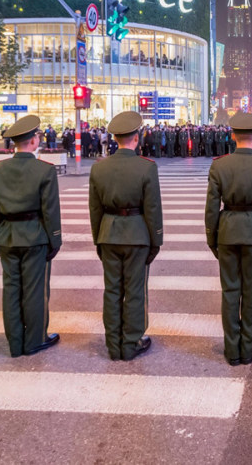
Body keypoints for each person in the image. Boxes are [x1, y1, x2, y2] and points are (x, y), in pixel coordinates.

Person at [205, 112, 252, 366]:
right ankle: (249, 346)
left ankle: (231, 348)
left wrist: (212, 239)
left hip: (227, 231)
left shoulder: (219, 165)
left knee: (230, 291)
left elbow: (211, 209)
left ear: (233, 135)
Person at [89, 111, 163, 361]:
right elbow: (152, 210)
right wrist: (156, 242)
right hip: (137, 235)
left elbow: (95, 210)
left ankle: (113, 343)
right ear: (137, 136)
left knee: (112, 290)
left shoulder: (100, 168)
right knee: (134, 291)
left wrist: (99, 239)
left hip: (108, 234)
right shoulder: (146, 167)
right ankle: (131, 342)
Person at [0, 115, 62, 357]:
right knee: (34, 290)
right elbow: (50, 211)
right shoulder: (45, 170)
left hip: (6, 235)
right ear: (34, 140)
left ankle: (15, 342)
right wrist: (55, 241)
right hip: (35, 237)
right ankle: (35, 339)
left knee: (11, 290)